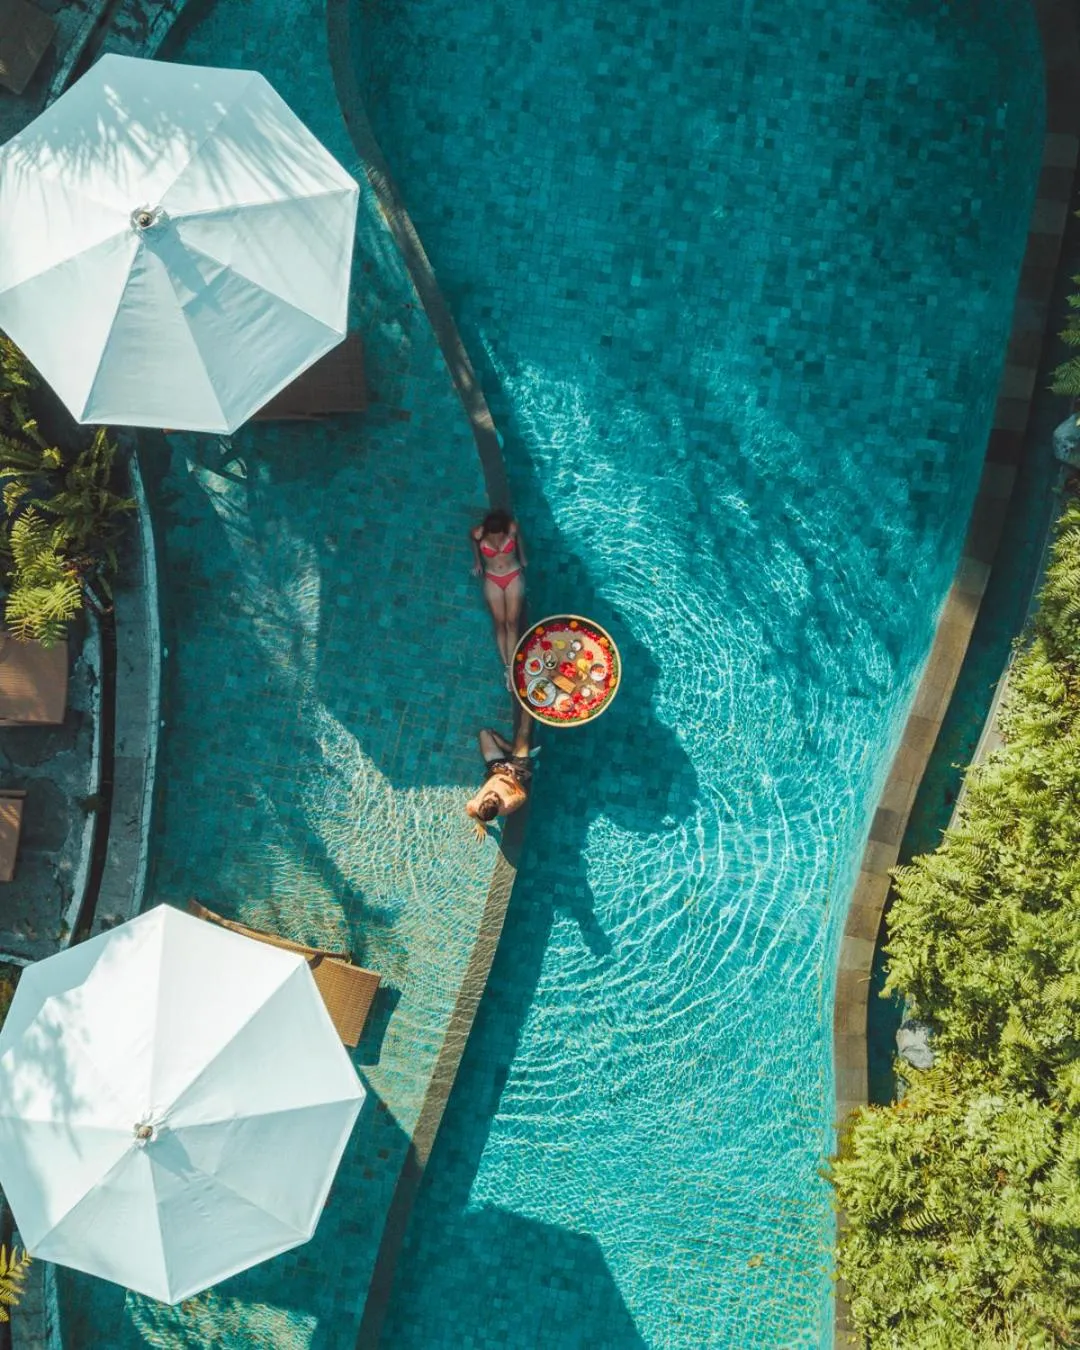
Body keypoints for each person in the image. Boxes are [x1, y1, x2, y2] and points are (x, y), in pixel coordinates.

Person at [470, 508, 527, 683]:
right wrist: (478, 562)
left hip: (512, 574)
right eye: (493, 536)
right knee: (500, 623)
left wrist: (523, 557)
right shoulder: (478, 533)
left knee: (512, 622)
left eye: (500, 535)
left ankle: (512, 668)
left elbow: (519, 540)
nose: (497, 539)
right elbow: (473, 542)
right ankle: (508, 668)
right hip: (493, 578)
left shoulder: (511, 528)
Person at [465, 713, 536, 840]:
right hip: (516, 770)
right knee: (524, 731)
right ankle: (528, 705)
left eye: (489, 797)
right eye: (497, 799)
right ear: (498, 807)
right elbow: (523, 794)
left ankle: (510, 749)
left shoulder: (473, 806)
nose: (493, 794)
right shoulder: (508, 805)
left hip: (497, 769)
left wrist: (480, 824)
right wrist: (513, 778)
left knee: (485, 733)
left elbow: (477, 816)